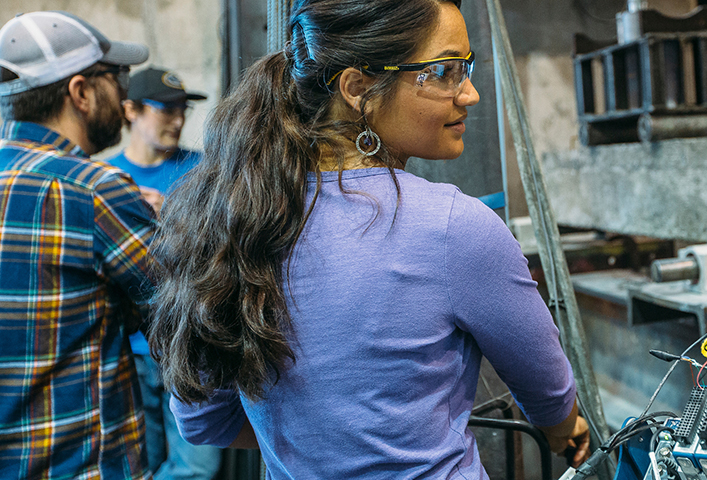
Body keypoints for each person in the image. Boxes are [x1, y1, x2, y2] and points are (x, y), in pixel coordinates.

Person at [148, 0, 590, 478]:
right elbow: (550, 394)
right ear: (357, 87)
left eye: (465, 68)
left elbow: (201, 421)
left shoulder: (233, 221)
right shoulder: (454, 226)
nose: (469, 94)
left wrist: (317, 445)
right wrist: (564, 431)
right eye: (443, 71)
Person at [0, 11, 155, 480]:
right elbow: (187, 312)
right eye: (115, 77)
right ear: (81, 92)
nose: (125, 94)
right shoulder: (94, 190)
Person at [108, 67, 221, 480]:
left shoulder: (204, 171)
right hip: (126, 348)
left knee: (198, 465)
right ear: (131, 110)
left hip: (188, 341)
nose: (177, 120)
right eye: (165, 109)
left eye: (182, 110)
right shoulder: (102, 178)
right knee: (139, 462)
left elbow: (227, 250)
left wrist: (171, 217)